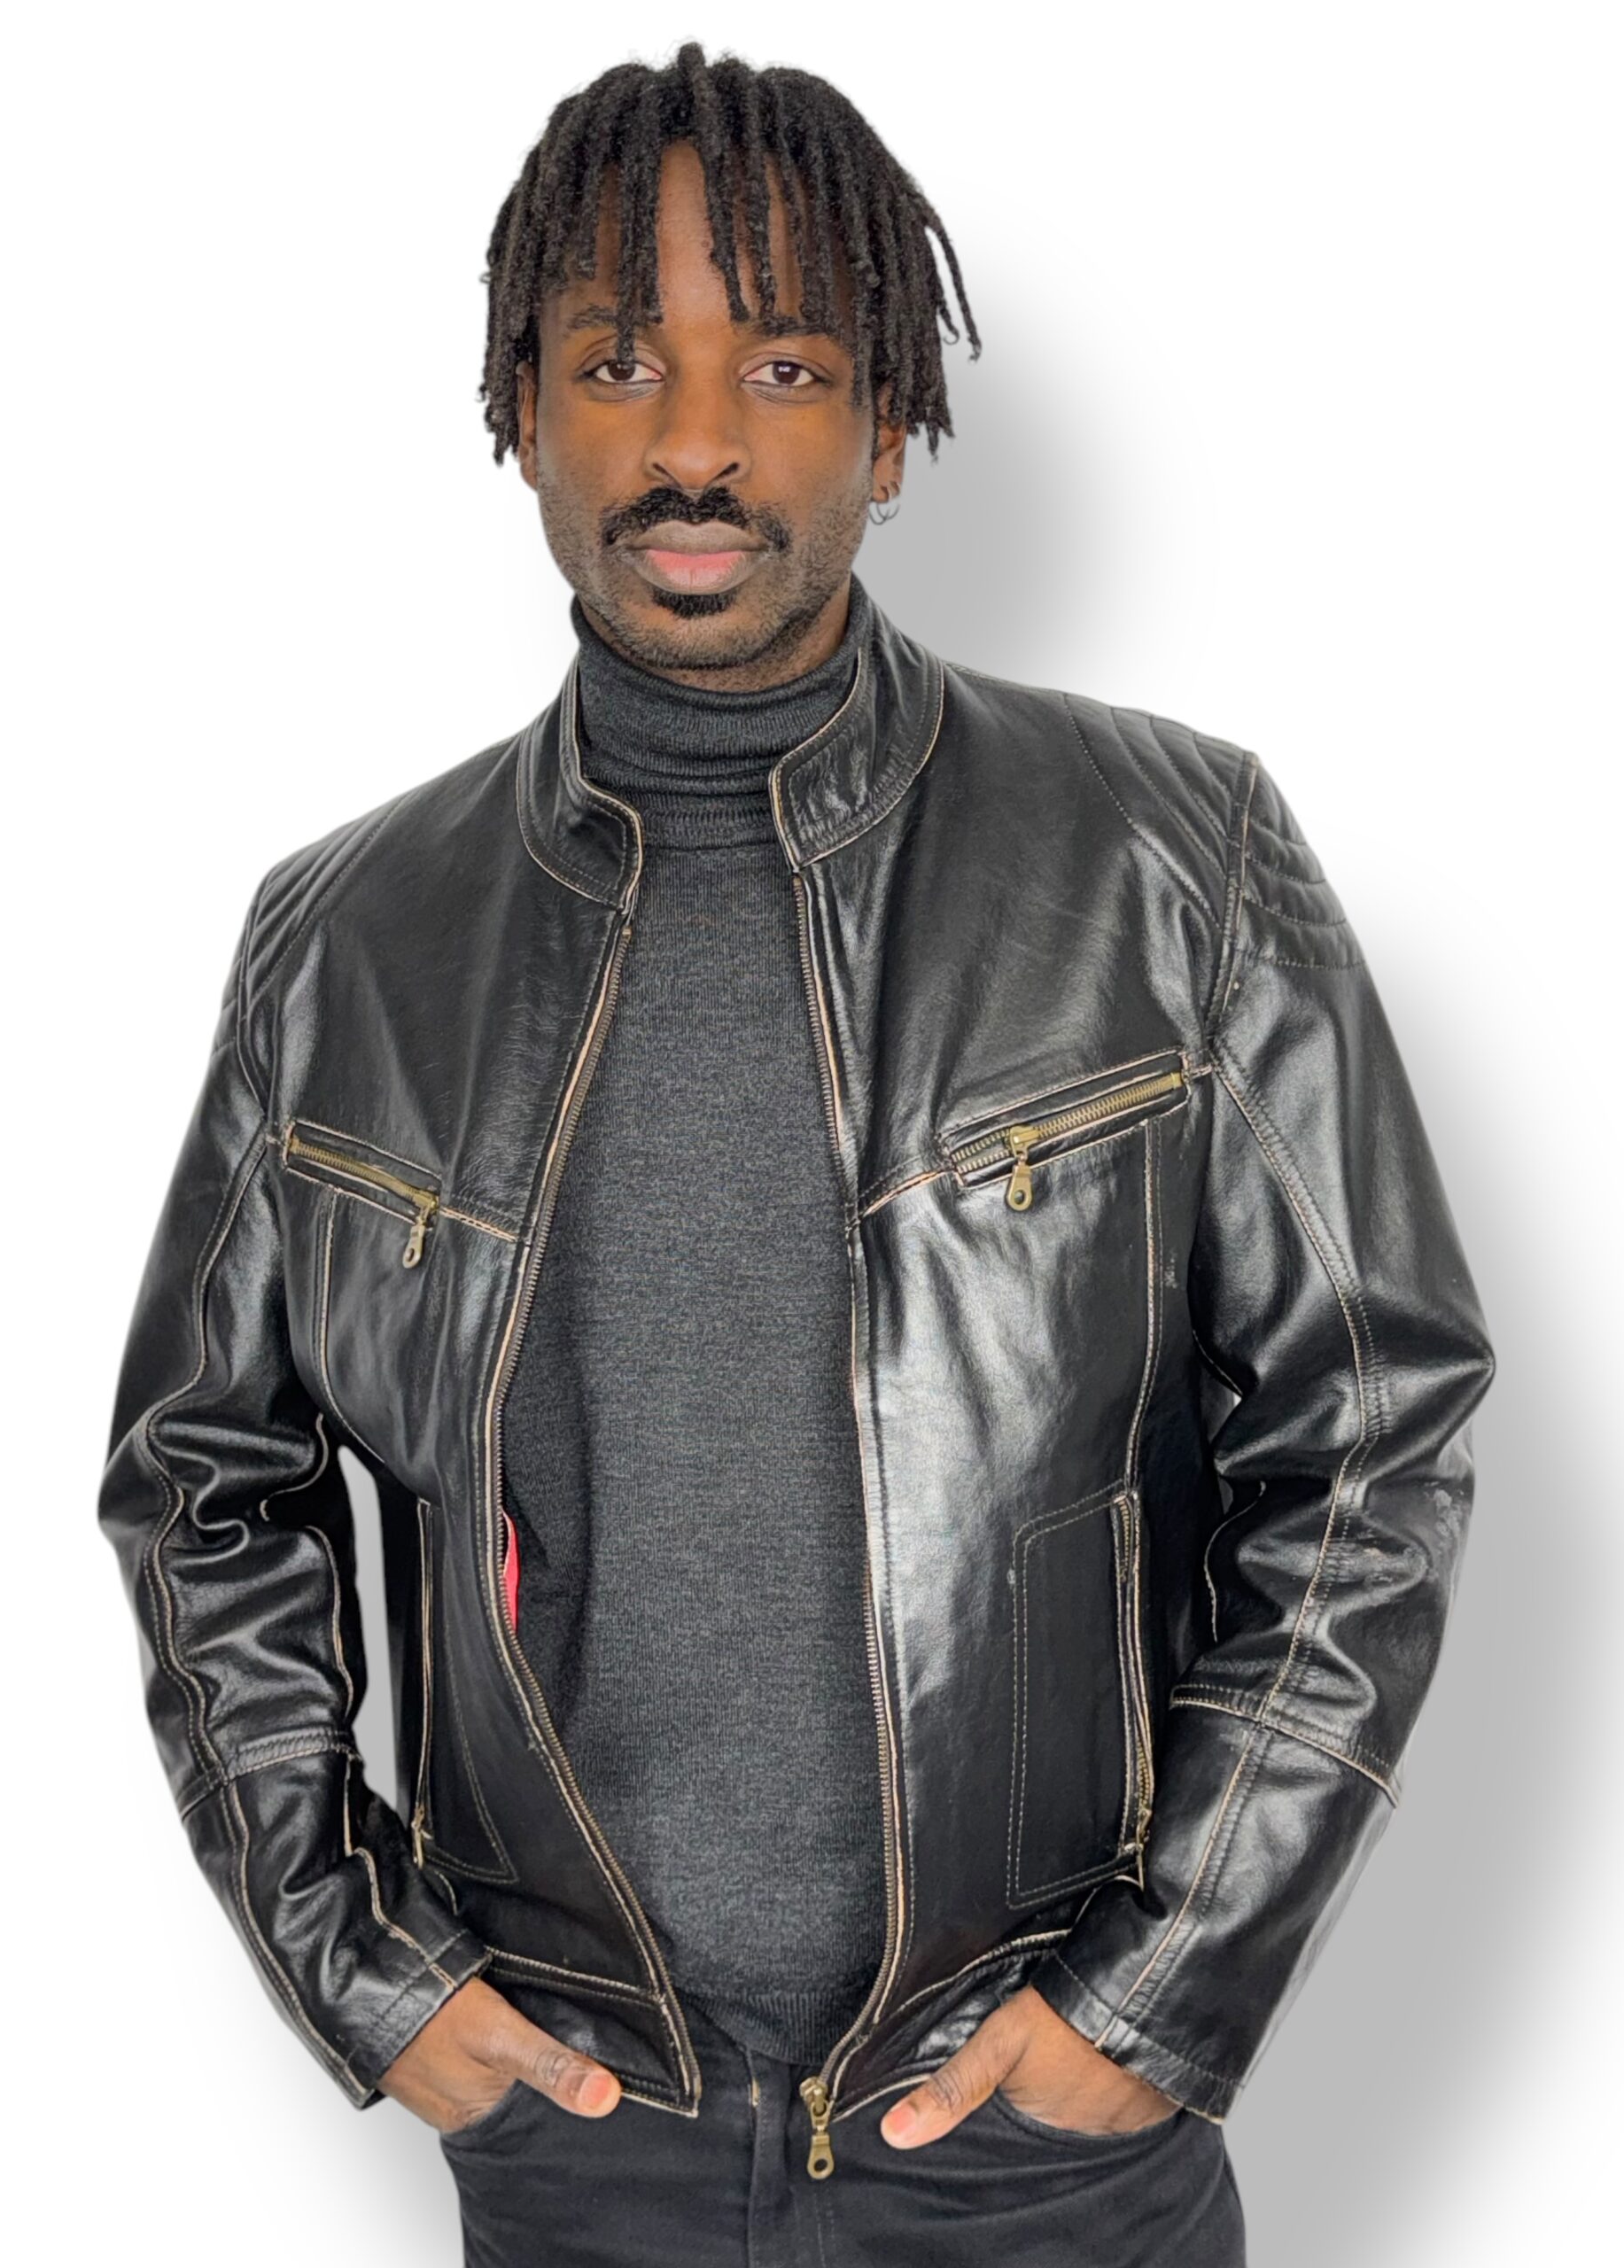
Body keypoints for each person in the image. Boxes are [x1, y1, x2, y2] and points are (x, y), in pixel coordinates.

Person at [97, 39, 1495, 2268]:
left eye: (784, 366)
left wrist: (1156, 1991)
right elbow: (204, 1481)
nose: (693, 445)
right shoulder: (347, 941)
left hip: (1040, 2135)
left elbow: (1373, 1429)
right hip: (582, 2139)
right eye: (615, 363)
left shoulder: (1173, 857)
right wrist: (367, 1971)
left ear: (893, 426)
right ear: (517, 412)